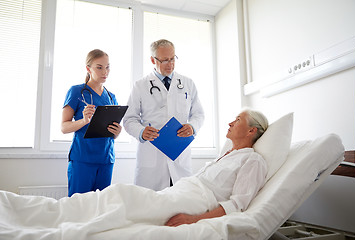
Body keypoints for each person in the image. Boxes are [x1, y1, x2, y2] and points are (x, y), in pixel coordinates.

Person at [0, 109, 268, 240]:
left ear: (251, 131)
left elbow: (237, 205)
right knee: (118, 194)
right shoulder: (228, 154)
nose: (231, 122)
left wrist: (194, 219)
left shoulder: (252, 161)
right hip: (183, 190)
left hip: (196, 201)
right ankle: (35, 214)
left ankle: (54, 226)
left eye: (238, 120)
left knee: (122, 196)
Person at [123, 39, 205, 191]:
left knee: (180, 202)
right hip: (152, 157)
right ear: (153, 60)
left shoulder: (187, 83)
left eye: (173, 58)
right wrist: (141, 131)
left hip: (179, 157)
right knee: (150, 207)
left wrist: (192, 127)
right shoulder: (140, 86)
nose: (170, 64)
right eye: (165, 60)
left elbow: (199, 114)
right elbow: (129, 119)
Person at [61, 49, 122, 197]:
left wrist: (117, 132)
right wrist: (84, 121)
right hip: (83, 159)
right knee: (78, 207)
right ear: (88, 69)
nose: (105, 72)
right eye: (99, 67)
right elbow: (64, 127)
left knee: (100, 207)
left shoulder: (111, 97)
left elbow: (109, 133)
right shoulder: (76, 92)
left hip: (106, 159)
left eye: (107, 67)